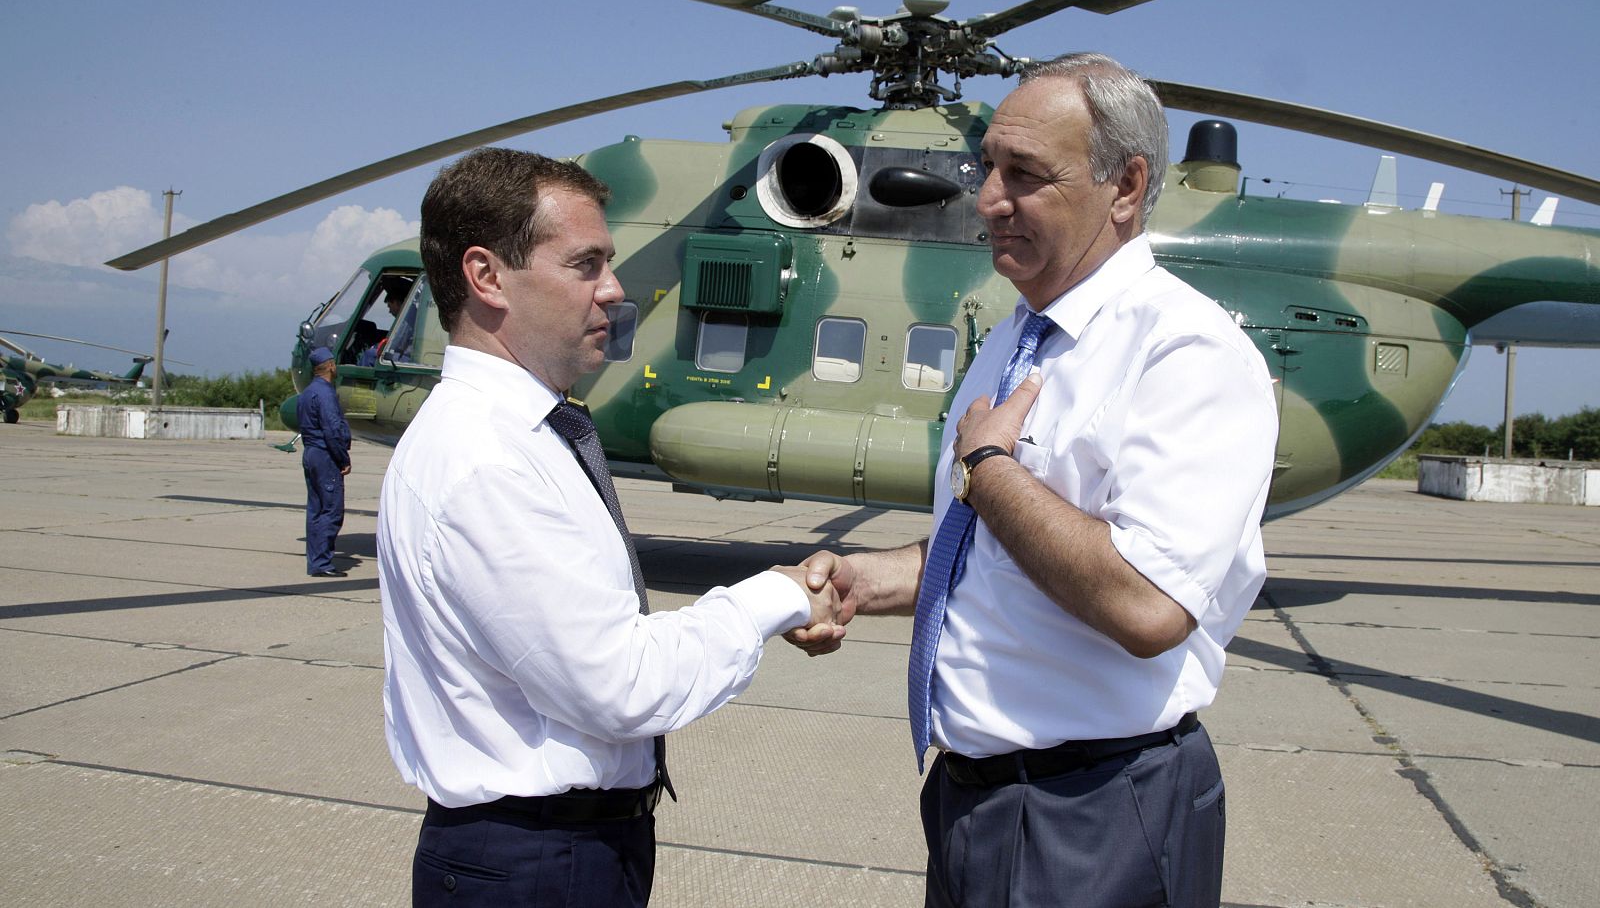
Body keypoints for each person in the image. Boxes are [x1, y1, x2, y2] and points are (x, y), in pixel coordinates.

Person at [790, 53, 1279, 908]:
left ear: (1126, 187)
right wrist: (873, 579)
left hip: (1094, 814)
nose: (987, 200)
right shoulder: (1019, 338)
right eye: (988, 168)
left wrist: (989, 470)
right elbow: (996, 547)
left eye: (1025, 175)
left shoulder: (1185, 351)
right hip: (977, 801)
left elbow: (1149, 605)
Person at [376, 147, 846, 907]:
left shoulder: (525, 436)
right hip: (536, 862)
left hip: (563, 850)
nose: (614, 290)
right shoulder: (486, 460)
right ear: (486, 276)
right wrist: (779, 594)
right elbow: (618, 685)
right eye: (584, 265)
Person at [298, 345, 351, 578]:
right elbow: (332, 430)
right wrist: (343, 458)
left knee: (315, 510)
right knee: (331, 510)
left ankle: (315, 561)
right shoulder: (326, 394)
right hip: (325, 455)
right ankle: (322, 563)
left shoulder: (307, 392)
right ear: (330, 366)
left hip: (311, 453)